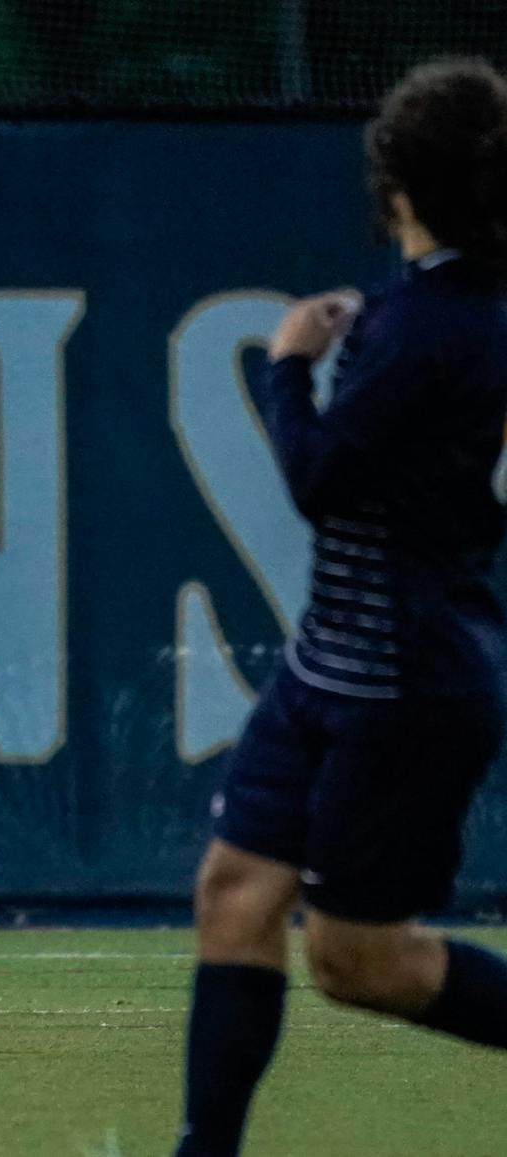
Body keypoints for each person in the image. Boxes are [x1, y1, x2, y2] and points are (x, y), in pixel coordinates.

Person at [174, 58, 507, 1155]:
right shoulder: (439, 314)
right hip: (330, 670)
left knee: (360, 959)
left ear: (397, 185)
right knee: (232, 892)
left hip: (403, 686)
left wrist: (286, 366)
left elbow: (318, 481)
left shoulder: (430, 325)